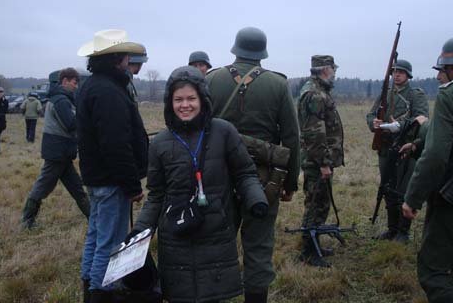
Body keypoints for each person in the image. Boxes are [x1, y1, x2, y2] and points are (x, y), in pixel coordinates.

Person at [132, 66, 268, 303]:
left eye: (191, 98)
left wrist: (256, 198)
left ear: (202, 100)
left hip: (215, 233)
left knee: (211, 296)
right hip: (175, 237)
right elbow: (156, 195)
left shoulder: (224, 132)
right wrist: (140, 231)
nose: (185, 105)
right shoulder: (160, 143)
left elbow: (244, 173)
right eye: (178, 100)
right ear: (170, 103)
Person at [206, 27, 300, 303]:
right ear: (262, 53)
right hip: (264, 180)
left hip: (218, 175)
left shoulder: (211, 79)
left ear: (235, 49)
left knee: (215, 242)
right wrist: (290, 183)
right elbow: (291, 137)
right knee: (258, 246)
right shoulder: (278, 85)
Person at [403, 36, 453, 303]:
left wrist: (413, 198)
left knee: (433, 271)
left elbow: (436, 156)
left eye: (441, 70)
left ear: (451, 67)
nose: (438, 77)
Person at [76, 29, 148, 302]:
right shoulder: (108, 92)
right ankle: (101, 292)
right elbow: (115, 145)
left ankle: (89, 286)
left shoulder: (93, 85)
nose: (130, 60)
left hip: (99, 179)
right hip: (111, 181)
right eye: (126, 55)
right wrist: (132, 185)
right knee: (110, 243)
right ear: (117, 58)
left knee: (96, 236)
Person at [366, 59, 429, 241]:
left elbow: (422, 119)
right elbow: (371, 114)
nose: (397, 74)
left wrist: (400, 125)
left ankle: (403, 232)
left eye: (401, 72)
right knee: (387, 187)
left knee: (403, 190)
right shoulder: (385, 94)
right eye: (395, 71)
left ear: (408, 75)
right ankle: (392, 229)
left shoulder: (415, 95)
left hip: (405, 148)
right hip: (385, 147)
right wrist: (374, 123)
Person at [21, 68, 90, 230]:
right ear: (65, 81)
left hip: (62, 153)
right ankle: (27, 221)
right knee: (42, 187)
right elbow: (71, 124)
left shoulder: (60, 99)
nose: (76, 86)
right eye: (74, 83)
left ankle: (93, 218)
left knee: (77, 188)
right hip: (58, 152)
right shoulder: (61, 100)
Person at [298, 55, 344, 267]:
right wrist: (324, 163)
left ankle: (314, 243)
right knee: (315, 204)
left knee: (321, 203)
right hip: (317, 162)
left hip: (319, 160)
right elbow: (314, 133)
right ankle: (308, 251)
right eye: (333, 69)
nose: (335, 73)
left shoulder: (319, 91)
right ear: (325, 70)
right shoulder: (315, 94)